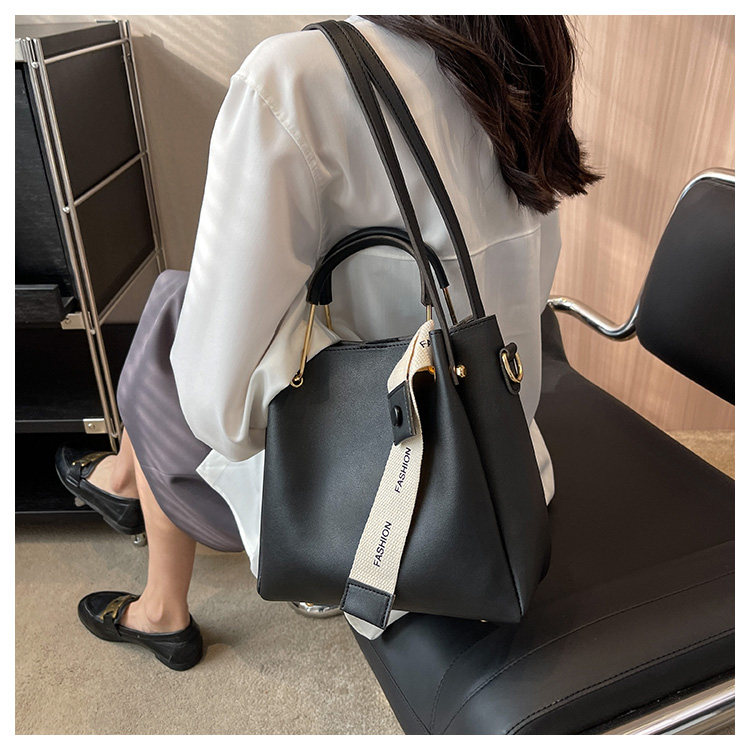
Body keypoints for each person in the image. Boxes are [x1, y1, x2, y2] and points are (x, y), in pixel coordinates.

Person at [55, 15, 600, 671]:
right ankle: (123, 492)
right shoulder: (521, 52)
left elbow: (217, 415)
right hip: (507, 454)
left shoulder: (295, 80)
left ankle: (158, 598)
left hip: (371, 500)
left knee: (174, 315)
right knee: (184, 310)